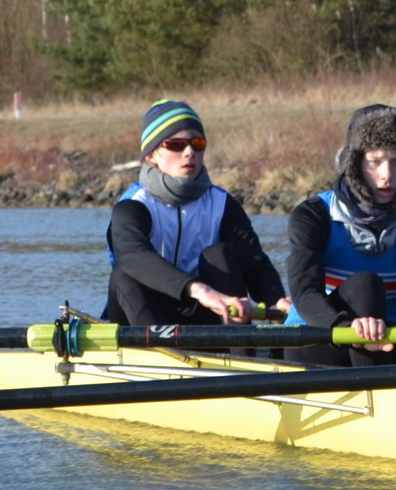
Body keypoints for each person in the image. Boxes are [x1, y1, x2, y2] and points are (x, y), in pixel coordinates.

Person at [284, 104, 396, 366]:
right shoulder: (314, 215)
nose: (387, 175)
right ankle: (372, 385)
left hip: (385, 343)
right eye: (375, 162)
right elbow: (305, 294)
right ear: (354, 163)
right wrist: (347, 328)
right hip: (318, 341)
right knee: (365, 284)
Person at [102, 99, 292, 328]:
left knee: (218, 255)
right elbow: (133, 256)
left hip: (209, 309)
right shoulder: (132, 205)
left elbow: (253, 262)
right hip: (146, 312)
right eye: (176, 145)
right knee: (123, 276)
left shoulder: (222, 204)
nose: (190, 152)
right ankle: (161, 348)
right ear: (151, 155)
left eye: (198, 143)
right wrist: (199, 290)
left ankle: (238, 344)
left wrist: (276, 300)